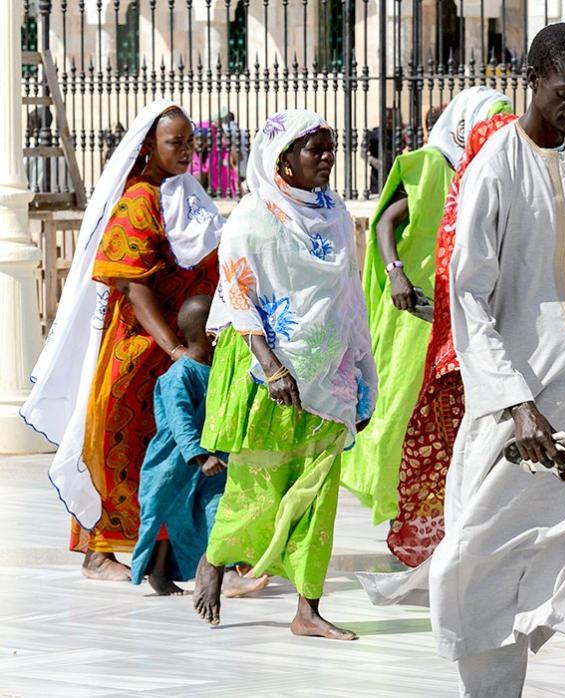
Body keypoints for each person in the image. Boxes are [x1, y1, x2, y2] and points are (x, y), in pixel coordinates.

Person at [428, 24, 565, 696]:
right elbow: (469, 297)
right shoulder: (494, 167)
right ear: (532, 79)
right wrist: (516, 404)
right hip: (517, 413)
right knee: (483, 563)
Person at [192, 109, 379, 640]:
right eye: (314, 148)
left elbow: (348, 295)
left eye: (331, 145)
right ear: (283, 161)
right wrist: (273, 368)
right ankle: (217, 559)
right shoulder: (252, 218)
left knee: (319, 488)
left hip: (331, 368)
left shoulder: (337, 214)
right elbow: (239, 295)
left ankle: (308, 609)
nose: (327, 156)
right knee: (260, 480)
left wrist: (362, 372)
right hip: (271, 374)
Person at [21, 100, 223, 582]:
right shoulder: (138, 202)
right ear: (149, 147)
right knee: (117, 442)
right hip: (139, 350)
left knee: (176, 448)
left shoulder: (185, 193)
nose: (187, 152)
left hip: (184, 346)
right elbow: (133, 287)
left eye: (191, 142)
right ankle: (98, 551)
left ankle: (169, 554)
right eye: (176, 143)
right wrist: (172, 347)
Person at [342, 87, 512, 548]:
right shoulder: (430, 164)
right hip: (412, 315)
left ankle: (435, 523)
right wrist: (395, 273)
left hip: (456, 313)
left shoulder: (486, 173)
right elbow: (383, 224)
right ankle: (403, 514)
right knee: (399, 414)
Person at [128, 295, 269, 599]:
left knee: (217, 510)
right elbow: (180, 421)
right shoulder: (179, 375)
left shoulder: (218, 371)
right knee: (165, 520)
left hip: (211, 463)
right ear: (210, 334)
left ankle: (227, 571)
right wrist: (199, 455)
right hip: (173, 464)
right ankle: (159, 573)